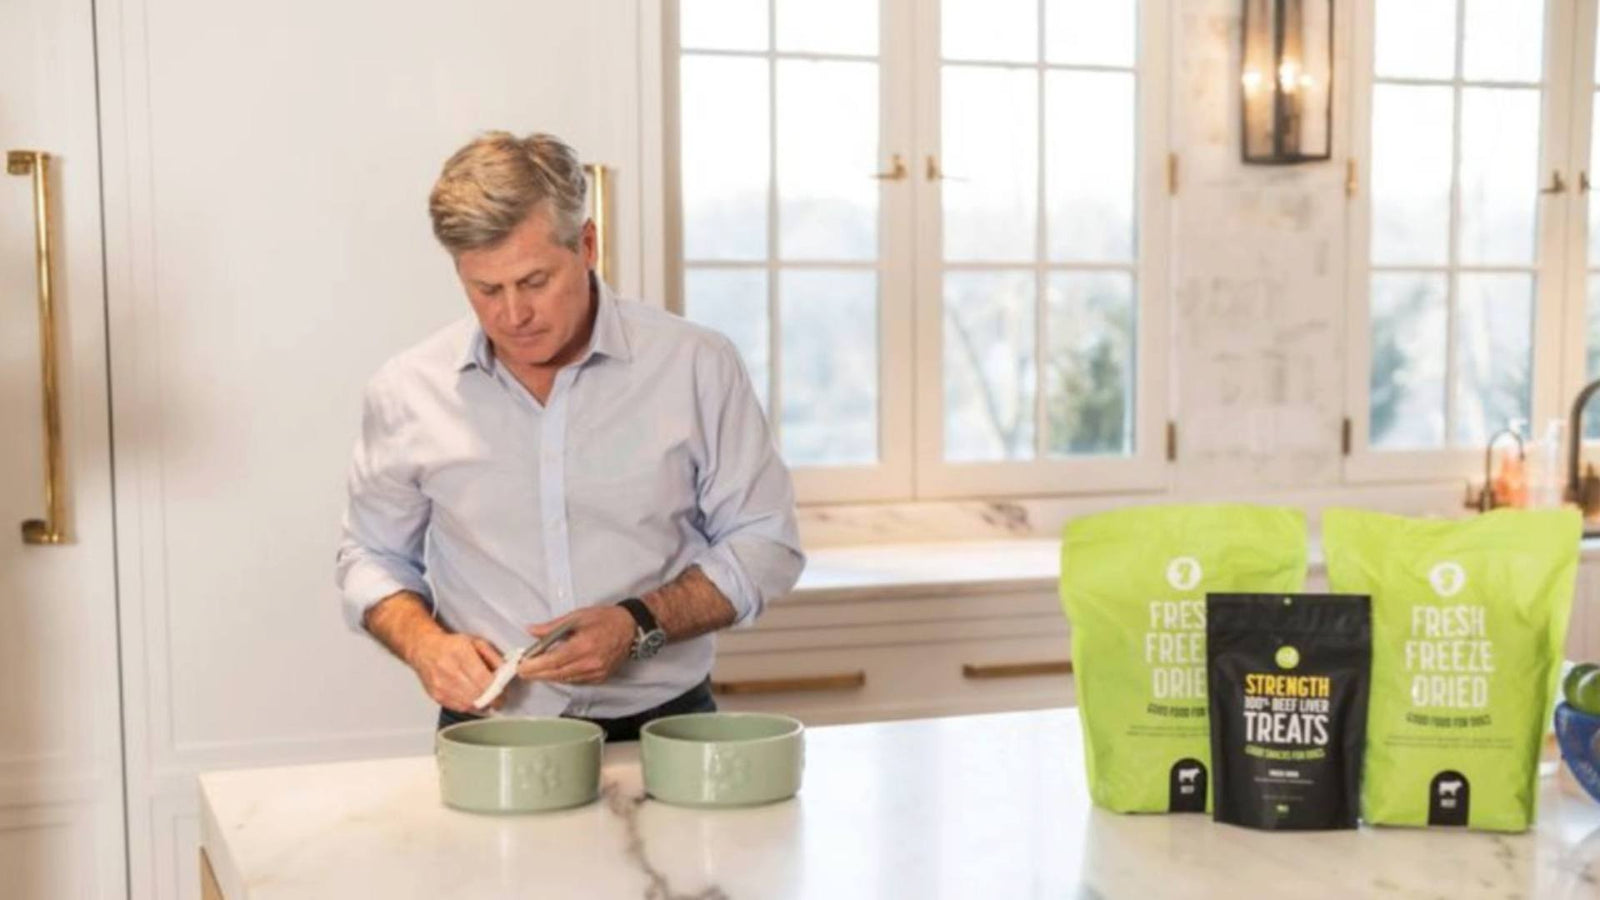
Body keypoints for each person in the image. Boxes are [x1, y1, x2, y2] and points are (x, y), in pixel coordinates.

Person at [335, 131, 803, 740]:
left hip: (670, 731)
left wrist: (639, 625)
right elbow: (370, 555)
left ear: (587, 245)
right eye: (485, 289)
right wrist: (426, 645)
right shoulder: (407, 389)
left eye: (534, 282)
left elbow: (765, 542)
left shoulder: (695, 365)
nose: (512, 315)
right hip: (491, 731)